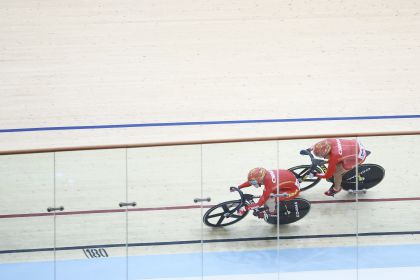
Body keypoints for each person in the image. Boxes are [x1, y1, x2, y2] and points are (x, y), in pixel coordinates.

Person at [232, 167, 300, 216]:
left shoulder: (269, 185)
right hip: (290, 179)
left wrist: (245, 209)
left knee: (269, 199)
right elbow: (251, 181)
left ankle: (272, 212)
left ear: (260, 179)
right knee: (270, 194)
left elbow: (259, 204)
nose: (253, 183)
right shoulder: (265, 174)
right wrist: (239, 187)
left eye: (254, 182)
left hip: (293, 191)